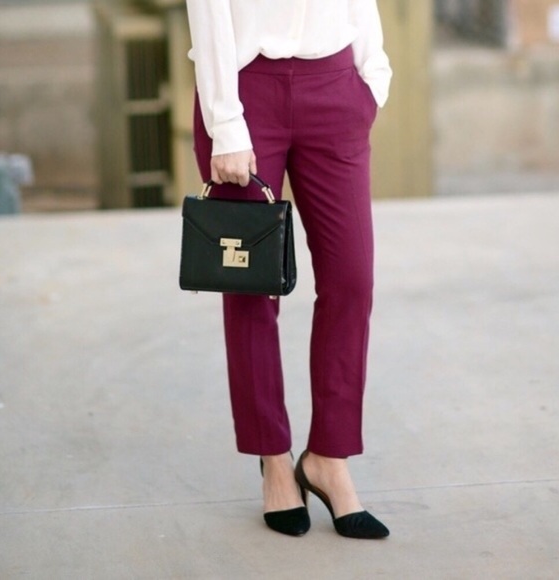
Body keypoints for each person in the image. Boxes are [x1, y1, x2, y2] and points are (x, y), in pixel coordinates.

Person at [185, 0, 393, 539]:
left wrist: (373, 76)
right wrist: (225, 124)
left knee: (352, 280)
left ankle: (329, 457)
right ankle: (273, 458)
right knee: (250, 286)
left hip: (338, 85)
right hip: (246, 93)